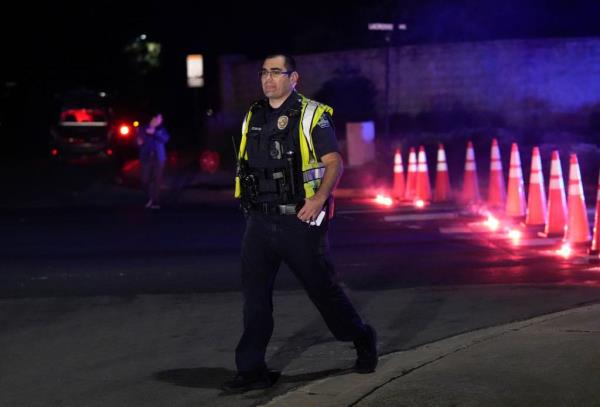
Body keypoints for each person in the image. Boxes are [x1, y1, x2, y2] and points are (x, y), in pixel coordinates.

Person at [223, 54, 377, 393]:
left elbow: (334, 163)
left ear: (294, 78)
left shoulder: (312, 115)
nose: (268, 78)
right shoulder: (255, 113)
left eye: (276, 72)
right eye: (264, 72)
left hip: (299, 221)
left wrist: (319, 198)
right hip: (260, 221)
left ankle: (361, 337)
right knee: (255, 299)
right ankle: (251, 370)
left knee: (324, 292)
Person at [137, 112, 169, 209]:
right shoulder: (143, 128)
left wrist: (154, 133)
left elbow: (165, 139)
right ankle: (150, 197)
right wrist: (138, 142)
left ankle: (155, 201)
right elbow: (136, 140)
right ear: (153, 119)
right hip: (146, 157)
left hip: (159, 158)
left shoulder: (161, 130)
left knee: (157, 180)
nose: (161, 120)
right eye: (159, 118)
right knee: (145, 180)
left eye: (161, 119)